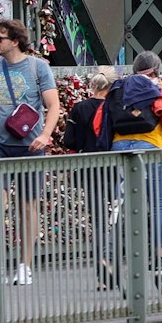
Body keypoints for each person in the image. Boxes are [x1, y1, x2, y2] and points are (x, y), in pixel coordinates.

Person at [108, 51, 162, 290]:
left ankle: (112, 250)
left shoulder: (120, 86)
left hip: (119, 147)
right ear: (158, 69)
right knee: (158, 203)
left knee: (123, 200)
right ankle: (159, 257)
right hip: (151, 146)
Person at [0, 18, 59, 285]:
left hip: (29, 146)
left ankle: (26, 265)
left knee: (28, 207)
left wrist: (46, 135)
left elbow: (53, 105)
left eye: (0, 38)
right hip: (0, 146)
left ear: (15, 40)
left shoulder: (37, 67)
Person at [63, 68, 120, 289]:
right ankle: (115, 262)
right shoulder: (115, 108)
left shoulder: (79, 109)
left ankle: (101, 268)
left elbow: (69, 141)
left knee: (97, 221)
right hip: (116, 167)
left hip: (91, 169)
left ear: (93, 87)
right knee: (118, 218)